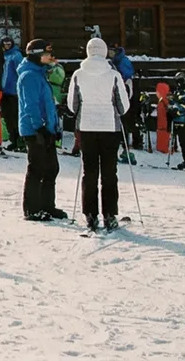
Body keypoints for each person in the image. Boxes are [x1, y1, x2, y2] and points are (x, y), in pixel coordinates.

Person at [68, 37, 126, 230]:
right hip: (110, 127)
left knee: (89, 172)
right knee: (110, 172)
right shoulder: (114, 75)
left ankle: (90, 215)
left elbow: (71, 104)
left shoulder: (78, 74)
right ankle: (109, 215)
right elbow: (123, 105)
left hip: (86, 127)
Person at [18, 38, 65, 222]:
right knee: (37, 168)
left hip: (46, 127)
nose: (50, 57)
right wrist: (39, 127)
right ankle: (32, 208)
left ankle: (47, 205)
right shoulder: (29, 75)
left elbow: (47, 102)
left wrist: (53, 126)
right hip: (34, 129)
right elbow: (31, 105)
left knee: (51, 168)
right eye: (47, 54)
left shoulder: (40, 73)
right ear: (37, 55)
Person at [110, 43, 140, 151]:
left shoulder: (123, 60)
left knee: (128, 115)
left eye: (112, 52)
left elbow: (128, 73)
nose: (110, 54)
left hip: (127, 86)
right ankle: (123, 139)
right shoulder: (114, 61)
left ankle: (133, 141)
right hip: (120, 87)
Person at [1, 38, 25, 151]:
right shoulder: (3, 55)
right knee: (7, 117)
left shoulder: (16, 55)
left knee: (16, 116)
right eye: (5, 44)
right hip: (4, 90)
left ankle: (20, 141)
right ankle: (13, 140)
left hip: (14, 91)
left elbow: (21, 71)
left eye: (9, 44)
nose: (7, 46)